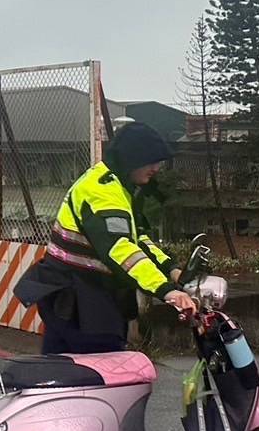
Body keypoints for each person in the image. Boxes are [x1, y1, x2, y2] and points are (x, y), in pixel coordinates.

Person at [14, 122, 197, 354]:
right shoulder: (103, 192)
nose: (156, 168)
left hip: (76, 296)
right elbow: (121, 249)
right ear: (132, 158)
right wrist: (166, 290)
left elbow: (137, 239)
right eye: (151, 161)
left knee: (61, 367)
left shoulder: (117, 185)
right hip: (80, 302)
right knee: (100, 368)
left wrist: (170, 269)